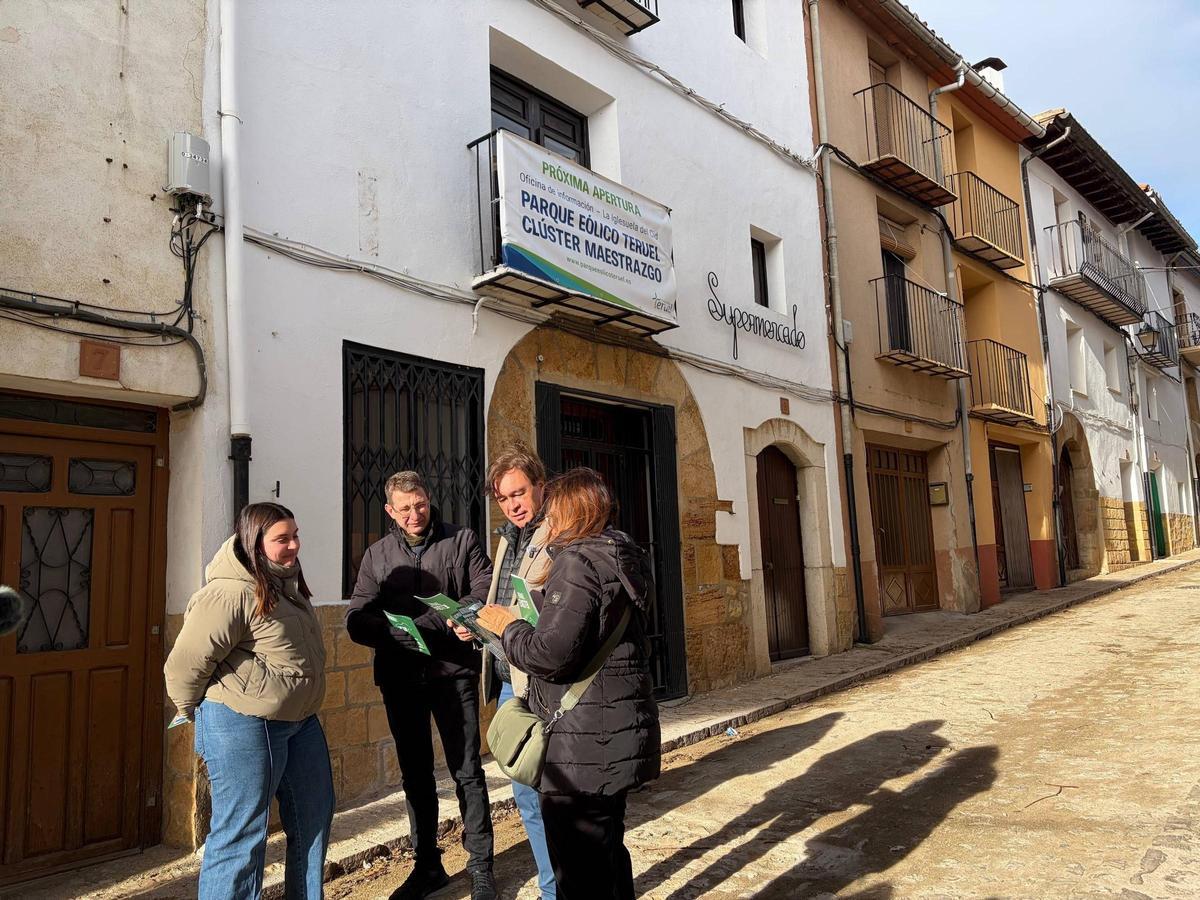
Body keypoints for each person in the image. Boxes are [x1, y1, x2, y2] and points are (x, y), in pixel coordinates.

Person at [477, 468, 661, 900]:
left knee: (580, 873)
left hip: (581, 748)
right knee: (608, 855)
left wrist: (508, 629)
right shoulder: (621, 554)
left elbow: (550, 654)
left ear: (571, 512)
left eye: (553, 512)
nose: (547, 521)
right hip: (610, 736)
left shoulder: (577, 561)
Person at [164, 502, 333, 900]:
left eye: (295, 536)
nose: (294, 546)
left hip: (301, 721)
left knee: (314, 816)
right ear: (255, 543)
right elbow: (185, 664)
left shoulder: (284, 583)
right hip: (244, 723)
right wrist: (190, 711)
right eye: (282, 539)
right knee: (242, 832)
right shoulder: (228, 592)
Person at [346, 471, 497, 900]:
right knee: (415, 775)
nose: (415, 515)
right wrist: (393, 632)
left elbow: (480, 591)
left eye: (421, 505)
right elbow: (357, 615)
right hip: (400, 680)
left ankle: (481, 867)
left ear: (429, 500)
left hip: (453, 676)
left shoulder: (462, 540)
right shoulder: (377, 555)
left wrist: (437, 622)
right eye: (405, 509)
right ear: (391, 511)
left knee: (467, 772)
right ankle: (428, 866)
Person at [467, 443, 557, 899]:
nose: (513, 504)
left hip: (543, 683)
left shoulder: (557, 537)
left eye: (519, 493)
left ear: (540, 487)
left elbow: (554, 610)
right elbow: (502, 602)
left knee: (551, 792)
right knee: (525, 790)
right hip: (509, 680)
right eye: (504, 498)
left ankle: (555, 889)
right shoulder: (506, 537)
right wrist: (478, 623)